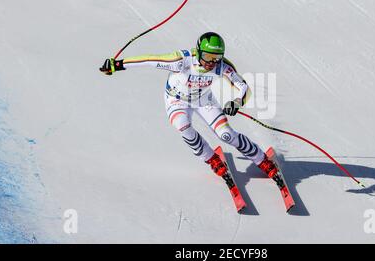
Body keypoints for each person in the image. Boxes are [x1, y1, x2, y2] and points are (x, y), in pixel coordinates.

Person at [100, 32, 277, 178]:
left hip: (203, 101)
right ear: (199, 51)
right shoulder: (181, 60)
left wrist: (237, 102)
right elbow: (150, 60)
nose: (211, 62)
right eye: (208, 56)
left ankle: (261, 159)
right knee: (182, 126)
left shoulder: (222, 66)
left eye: (216, 58)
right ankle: (211, 158)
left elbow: (244, 87)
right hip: (176, 100)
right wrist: (117, 65)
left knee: (226, 135)